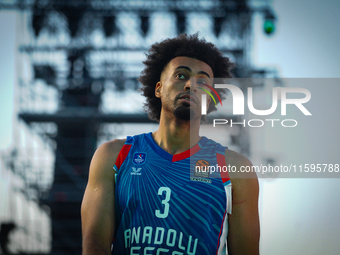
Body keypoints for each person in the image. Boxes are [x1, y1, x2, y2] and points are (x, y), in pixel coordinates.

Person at [81, 34, 259, 255]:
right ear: (158, 88)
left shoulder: (235, 168)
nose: (191, 85)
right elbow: (94, 245)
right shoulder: (114, 156)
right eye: (181, 75)